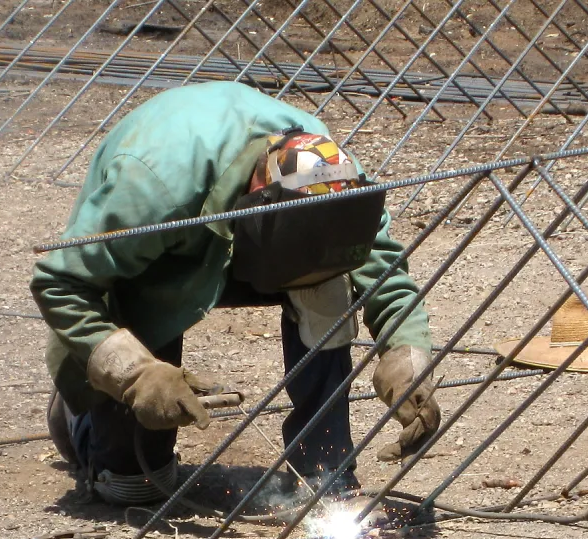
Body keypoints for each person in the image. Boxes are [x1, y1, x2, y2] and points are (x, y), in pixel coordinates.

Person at [31, 81, 441, 506]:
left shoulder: (334, 181)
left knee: (328, 287)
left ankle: (323, 471)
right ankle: (81, 421)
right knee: (134, 488)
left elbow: (386, 274)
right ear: (256, 205)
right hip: (170, 243)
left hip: (255, 232)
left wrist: (406, 358)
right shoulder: (154, 187)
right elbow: (59, 282)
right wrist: (133, 375)